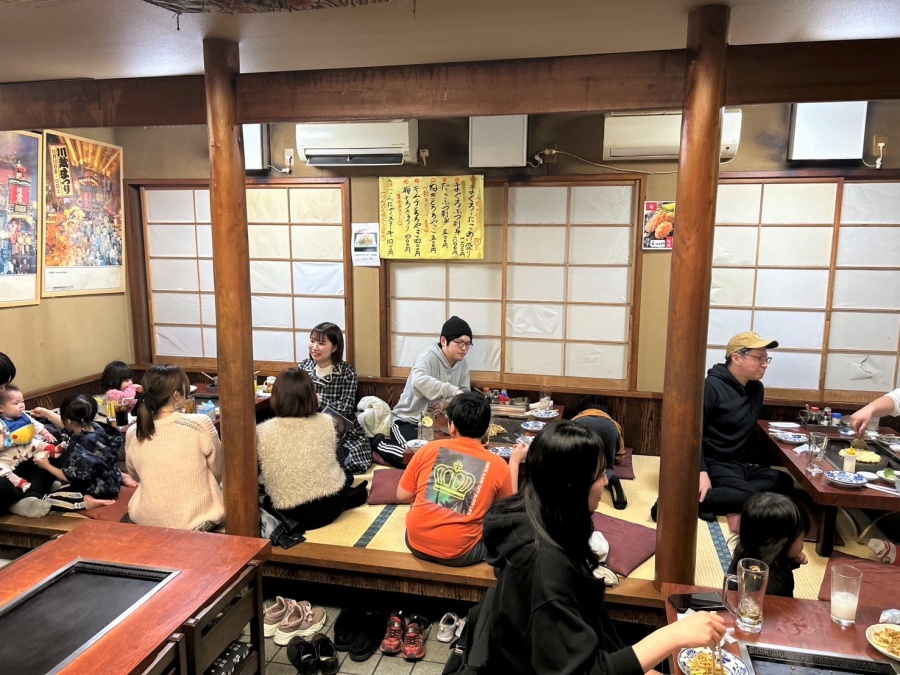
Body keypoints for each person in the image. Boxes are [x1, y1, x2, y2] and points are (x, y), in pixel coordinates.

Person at [471, 420, 725, 673]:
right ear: (572, 485)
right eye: (600, 474)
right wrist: (671, 636)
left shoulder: (548, 521)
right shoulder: (542, 567)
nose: (605, 482)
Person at [653, 331, 793, 523]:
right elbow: (689, 435)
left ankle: (713, 499)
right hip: (712, 461)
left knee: (784, 482)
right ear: (736, 358)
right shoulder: (710, 387)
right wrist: (700, 471)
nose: (765, 364)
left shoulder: (756, 389)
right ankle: (675, 502)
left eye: (766, 358)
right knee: (751, 497)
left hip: (738, 464)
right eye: (759, 358)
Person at [397, 391, 513, 567]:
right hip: (460, 553)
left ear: (452, 427)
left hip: (415, 542)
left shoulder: (428, 449)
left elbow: (403, 495)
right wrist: (515, 461)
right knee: (503, 534)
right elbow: (506, 512)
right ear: (486, 428)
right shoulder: (498, 465)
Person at [257, 367, 368, 531]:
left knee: (266, 496)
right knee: (343, 472)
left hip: (289, 514)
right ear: (312, 396)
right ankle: (350, 496)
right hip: (332, 504)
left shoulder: (260, 431)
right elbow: (339, 462)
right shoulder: (328, 422)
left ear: (276, 397)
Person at [125, 364, 224, 531]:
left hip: (143, 519)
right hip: (196, 523)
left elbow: (135, 475)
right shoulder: (200, 424)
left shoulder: (134, 431)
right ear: (176, 395)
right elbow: (218, 472)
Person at [372, 316, 472, 468]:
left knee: (445, 460)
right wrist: (453, 390)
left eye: (468, 344)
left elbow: (464, 393)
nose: (464, 348)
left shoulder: (462, 363)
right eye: (459, 342)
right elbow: (419, 381)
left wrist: (444, 404)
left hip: (438, 424)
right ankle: (378, 443)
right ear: (444, 341)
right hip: (408, 420)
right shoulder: (427, 357)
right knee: (414, 457)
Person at [34, 394, 137, 511]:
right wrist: (45, 412)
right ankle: (121, 476)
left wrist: (46, 465)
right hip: (112, 478)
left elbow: (70, 477)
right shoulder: (97, 427)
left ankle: (86, 502)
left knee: (46, 499)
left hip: (100, 490)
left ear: (69, 420)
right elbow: (69, 425)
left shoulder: (80, 446)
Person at [298, 322, 371, 474]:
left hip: (340, 428)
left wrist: (319, 401)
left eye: (321, 343)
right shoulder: (303, 367)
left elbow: (346, 407)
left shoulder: (347, 372)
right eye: (312, 341)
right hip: (309, 426)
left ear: (335, 347)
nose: (314, 347)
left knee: (350, 459)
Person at [0, 354, 52, 518]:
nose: (3, 390)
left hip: (15, 459)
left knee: (48, 451)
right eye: (0, 385)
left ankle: (32, 495)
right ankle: (28, 495)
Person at [728, 492, 809, 598]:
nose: (803, 543)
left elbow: (779, 562)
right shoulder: (772, 584)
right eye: (802, 538)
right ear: (784, 543)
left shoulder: (748, 549)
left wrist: (791, 560)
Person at [0, 385, 63, 491]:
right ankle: (22, 484)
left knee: (38, 442)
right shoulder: (1, 423)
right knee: (2, 470)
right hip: (8, 456)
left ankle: (54, 450)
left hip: (27, 447)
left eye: (22, 402)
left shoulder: (24, 416)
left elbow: (35, 425)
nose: (21, 406)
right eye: (16, 403)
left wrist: (46, 433)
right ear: (1, 408)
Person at [572, 395, 627, 510]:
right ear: (604, 409)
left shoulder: (575, 420)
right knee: (606, 467)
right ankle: (610, 475)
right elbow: (620, 453)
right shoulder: (613, 424)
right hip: (608, 432)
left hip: (580, 459)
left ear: (582, 408)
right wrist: (617, 459)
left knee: (578, 467)